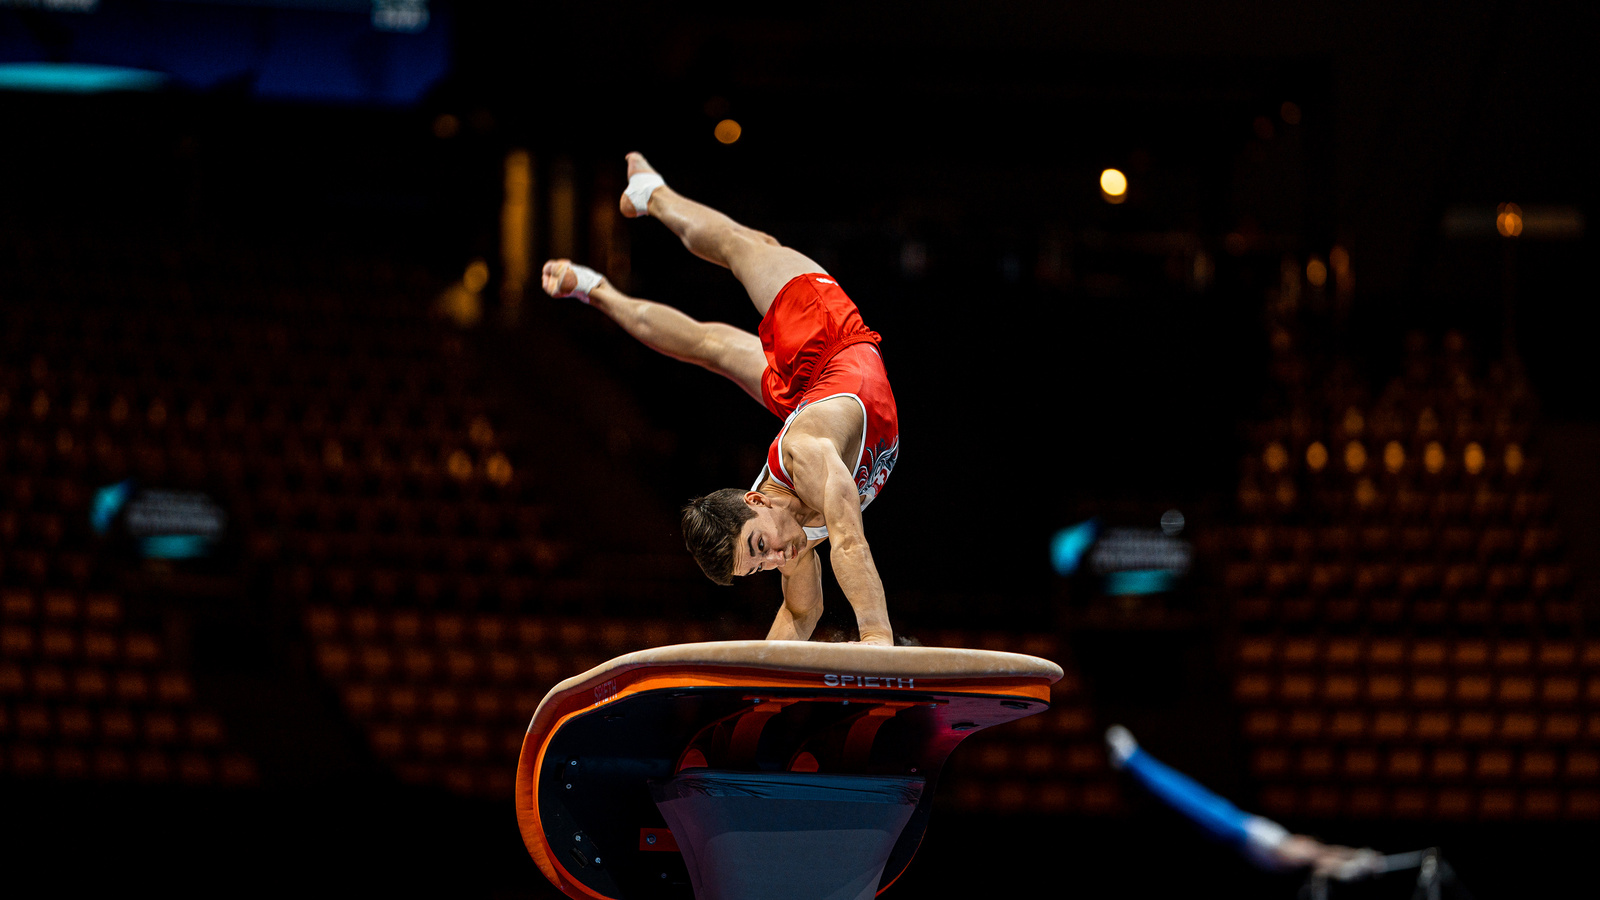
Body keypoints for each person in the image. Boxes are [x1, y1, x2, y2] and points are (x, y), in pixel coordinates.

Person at [540, 152, 900, 646]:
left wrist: (877, 641)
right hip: (808, 393)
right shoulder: (787, 538)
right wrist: (754, 696)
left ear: (755, 500)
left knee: (743, 246)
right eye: (759, 566)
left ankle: (654, 197)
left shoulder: (810, 456)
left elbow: (850, 542)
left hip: (825, 338)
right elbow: (802, 614)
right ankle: (595, 288)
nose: (775, 560)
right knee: (707, 348)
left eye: (760, 546)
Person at [1106, 726, 1387, 880]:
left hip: (1235, 831)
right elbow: (1323, 853)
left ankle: (1133, 759)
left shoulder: (1291, 854)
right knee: (1183, 791)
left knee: (1181, 796)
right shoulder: (1298, 847)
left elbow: (1317, 859)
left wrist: (1347, 866)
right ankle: (1133, 760)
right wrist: (1357, 856)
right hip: (1237, 821)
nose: (1305, 842)